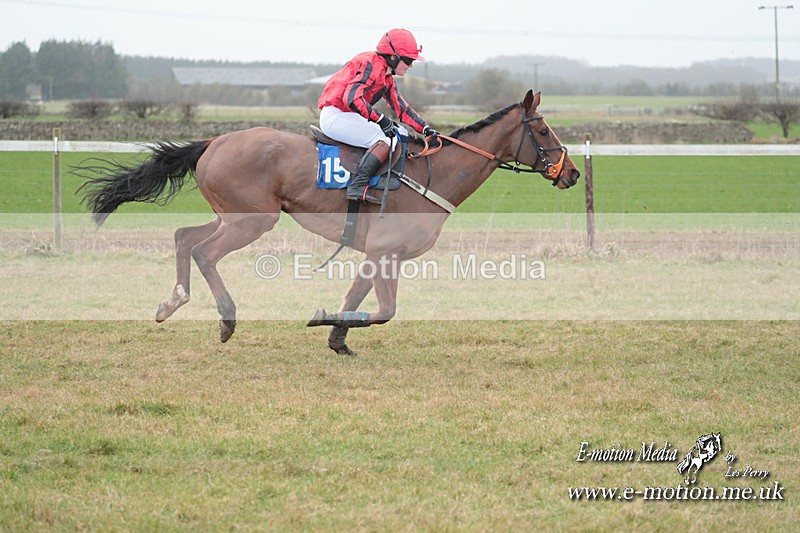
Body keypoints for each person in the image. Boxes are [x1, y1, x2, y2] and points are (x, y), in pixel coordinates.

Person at [318, 28, 439, 204]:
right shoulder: (370, 63)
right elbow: (352, 98)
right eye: (408, 60)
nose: (411, 65)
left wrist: (425, 129)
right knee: (385, 139)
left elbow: (402, 110)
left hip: (347, 115)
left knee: (401, 133)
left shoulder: (386, 77)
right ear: (393, 56)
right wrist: (381, 120)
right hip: (336, 115)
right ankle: (357, 186)